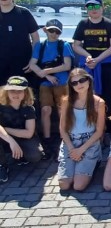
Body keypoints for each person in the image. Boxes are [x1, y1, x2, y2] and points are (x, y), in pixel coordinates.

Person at [72, 0, 111, 135]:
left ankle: (108, 130)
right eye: (90, 6)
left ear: (102, 7)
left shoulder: (109, 24)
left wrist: (97, 60)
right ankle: (90, 127)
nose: (94, 9)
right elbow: (76, 45)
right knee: (87, 97)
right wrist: (88, 56)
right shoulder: (83, 24)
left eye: (96, 6)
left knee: (108, 97)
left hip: (105, 64)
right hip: (88, 65)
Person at [29, 19, 74, 157]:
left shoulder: (64, 45)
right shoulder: (40, 46)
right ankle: (47, 139)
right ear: (45, 30)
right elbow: (32, 64)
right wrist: (47, 76)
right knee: (45, 110)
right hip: (46, 82)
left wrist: (47, 71)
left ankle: (63, 137)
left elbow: (67, 65)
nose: (54, 34)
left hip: (62, 81)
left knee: (62, 109)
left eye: (57, 32)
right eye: (51, 31)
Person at [57, 69, 105, 191]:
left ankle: (94, 162)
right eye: (74, 83)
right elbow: (62, 129)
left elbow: (99, 132)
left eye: (82, 80)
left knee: (78, 186)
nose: (79, 84)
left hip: (89, 142)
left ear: (88, 81)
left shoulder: (98, 102)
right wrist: (72, 149)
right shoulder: (66, 101)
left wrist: (81, 150)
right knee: (64, 185)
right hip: (70, 141)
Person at [0, 76, 43, 183]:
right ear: (6, 92)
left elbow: (28, 133)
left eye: (19, 91)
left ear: (26, 92)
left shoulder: (29, 108)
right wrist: (11, 141)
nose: (16, 94)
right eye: (12, 91)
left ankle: (19, 156)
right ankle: (2, 165)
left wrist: (6, 130)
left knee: (35, 156)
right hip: (3, 138)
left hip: (22, 138)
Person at [0, 0, 39, 86]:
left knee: (23, 94)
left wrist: (33, 61)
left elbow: (36, 39)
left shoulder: (24, 13)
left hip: (23, 65)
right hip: (1, 66)